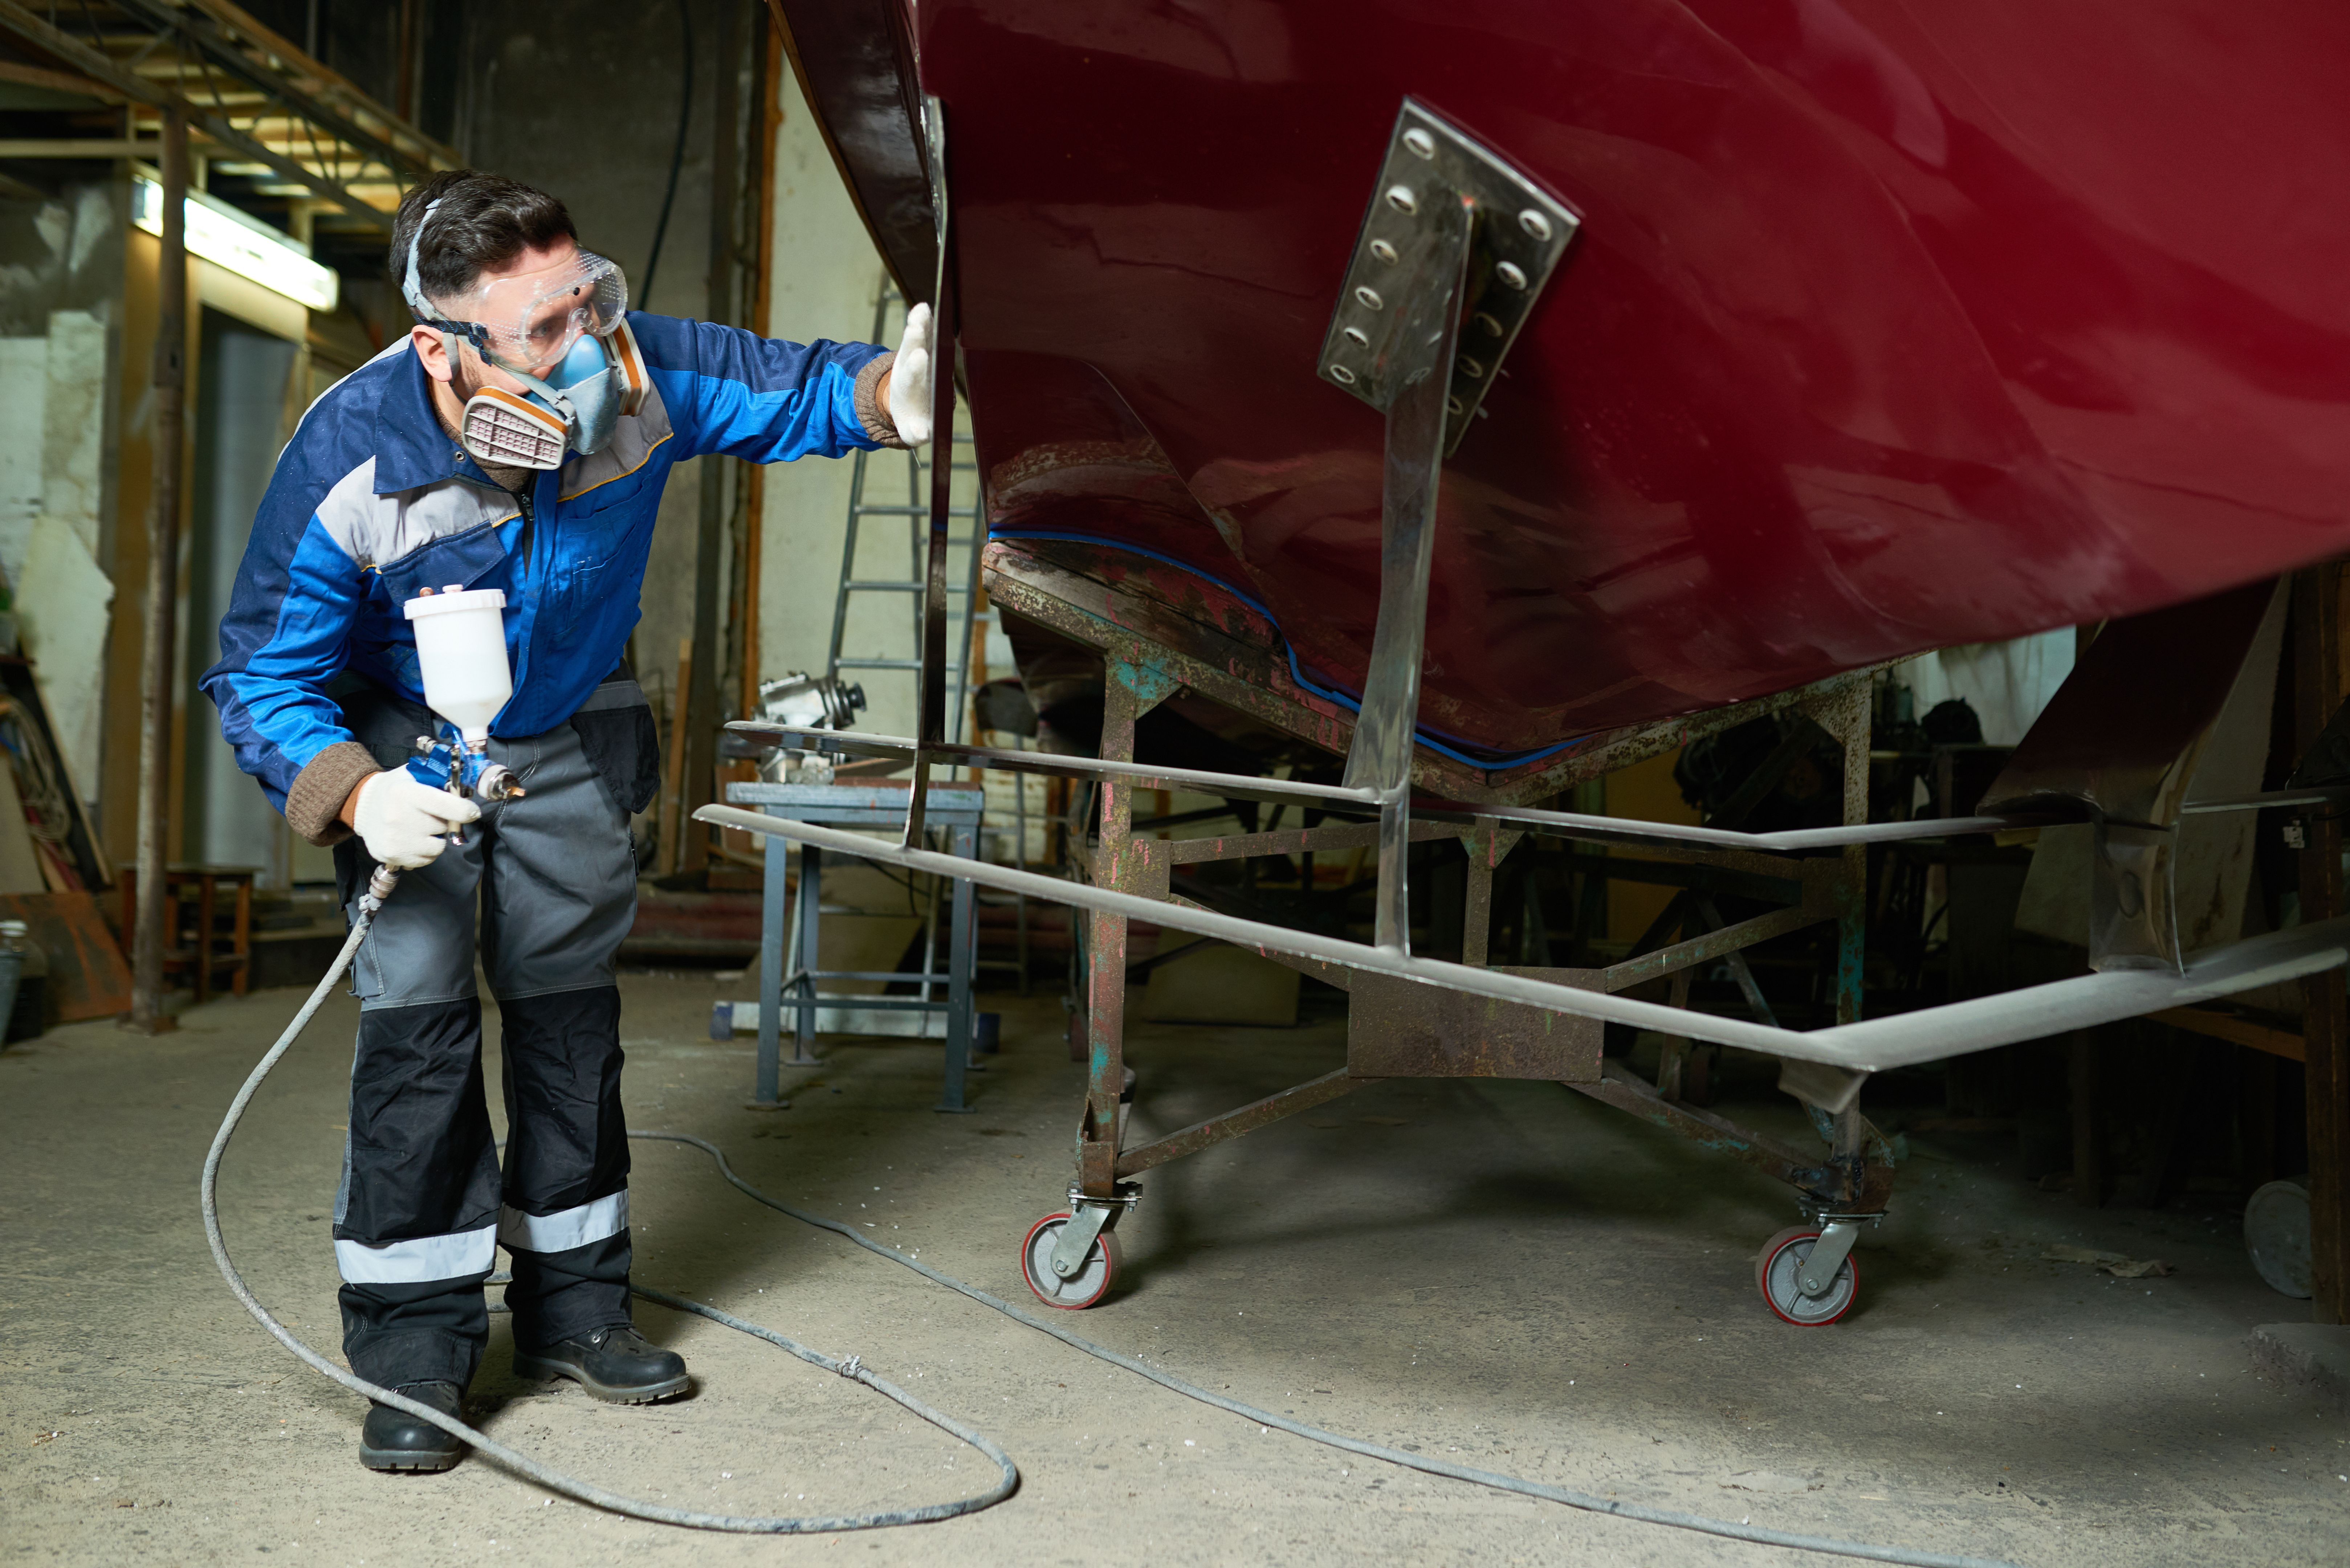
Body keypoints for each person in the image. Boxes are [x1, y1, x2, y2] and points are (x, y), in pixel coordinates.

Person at [199, 168, 934, 1473]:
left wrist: (892, 396)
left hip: (569, 728)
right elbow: (261, 666)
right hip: (401, 735)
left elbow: (796, 385)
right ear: (440, 346)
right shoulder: (353, 453)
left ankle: (576, 1311)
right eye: (541, 330)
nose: (584, 341)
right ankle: (417, 1347)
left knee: (566, 1021)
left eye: (585, 298)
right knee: (419, 1025)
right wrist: (356, 794)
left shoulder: (635, 375)